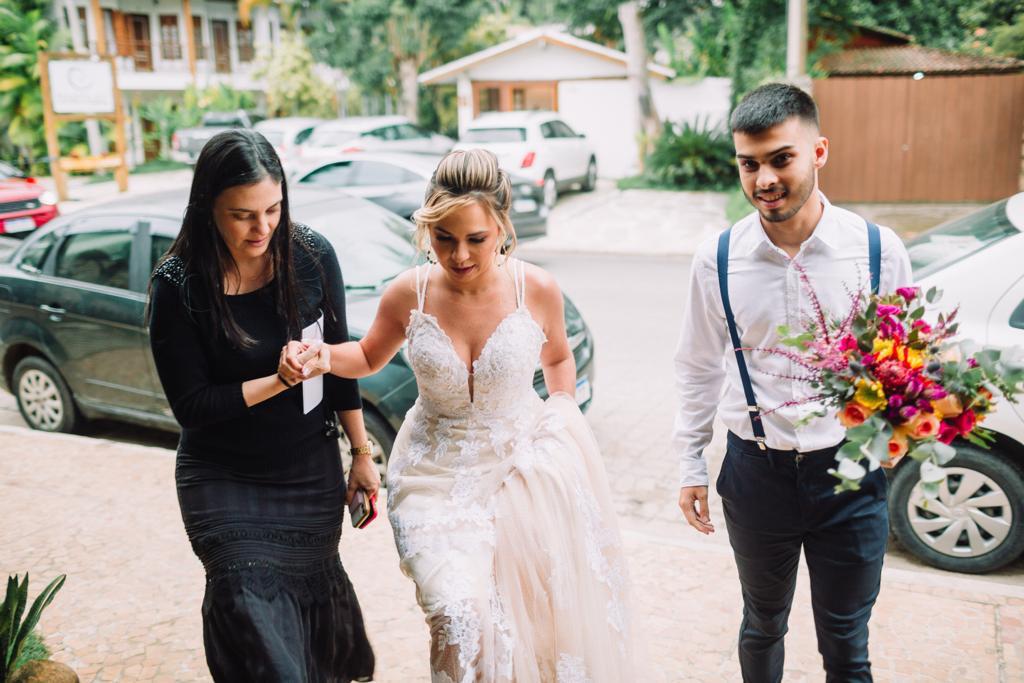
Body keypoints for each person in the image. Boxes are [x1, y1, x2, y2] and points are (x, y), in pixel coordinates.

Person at [282, 149, 634, 682]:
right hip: (431, 475)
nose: (460, 255)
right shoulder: (409, 291)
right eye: (444, 238)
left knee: (527, 625)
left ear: (502, 226)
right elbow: (370, 356)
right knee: (456, 614)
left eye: (476, 239)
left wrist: (562, 426)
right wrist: (325, 357)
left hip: (521, 474)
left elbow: (558, 358)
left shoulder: (535, 288)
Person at [673, 83, 913, 682]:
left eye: (781, 158)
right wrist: (690, 466)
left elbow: (905, 360)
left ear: (819, 151)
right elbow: (698, 365)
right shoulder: (717, 259)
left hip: (849, 475)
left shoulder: (878, 250)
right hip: (756, 475)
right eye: (748, 164)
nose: (763, 180)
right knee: (762, 625)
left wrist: (895, 435)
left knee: (847, 643)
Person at [148, 129, 377, 682]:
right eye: (242, 214)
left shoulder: (313, 255)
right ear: (208, 208)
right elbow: (193, 408)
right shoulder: (176, 285)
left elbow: (339, 367)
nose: (262, 227)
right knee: (251, 615)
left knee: (309, 632)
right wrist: (278, 379)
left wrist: (362, 454)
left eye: (273, 208)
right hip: (222, 475)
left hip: (307, 471)